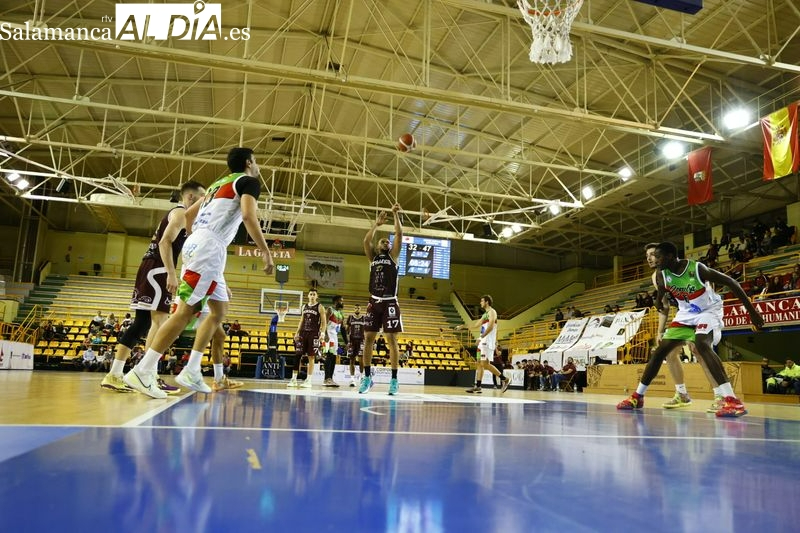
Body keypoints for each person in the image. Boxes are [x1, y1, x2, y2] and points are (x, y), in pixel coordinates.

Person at [123, 147, 274, 398]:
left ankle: (192, 369)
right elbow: (248, 216)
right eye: (255, 161)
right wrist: (265, 252)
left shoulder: (217, 184)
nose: (257, 165)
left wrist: (196, 236)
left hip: (204, 245)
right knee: (185, 312)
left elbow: (189, 214)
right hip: (209, 247)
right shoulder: (248, 182)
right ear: (249, 162)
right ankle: (143, 370)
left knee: (219, 312)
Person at [617, 241, 764, 417]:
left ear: (670, 257)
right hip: (686, 314)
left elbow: (731, 282)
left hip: (708, 311)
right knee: (660, 351)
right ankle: (637, 397)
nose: (655, 260)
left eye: (658, 257)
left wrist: (752, 313)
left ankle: (732, 400)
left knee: (701, 345)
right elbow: (661, 292)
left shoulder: (697, 268)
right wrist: (658, 300)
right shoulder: (661, 274)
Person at [101, 181, 206, 394]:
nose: (204, 203)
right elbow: (164, 242)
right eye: (202, 198)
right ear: (191, 197)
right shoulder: (180, 213)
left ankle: (115, 374)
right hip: (158, 269)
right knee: (160, 322)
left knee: (141, 323)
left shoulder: (181, 216)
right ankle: (148, 375)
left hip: (151, 267)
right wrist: (171, 273)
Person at [642, 243, 718, 410]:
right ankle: (682, 394)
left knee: (698, 350)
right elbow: (664, 306)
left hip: (704, 310)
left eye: (653, 254)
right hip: (684, 314)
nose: (649, 258)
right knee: (669, 353)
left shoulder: (685, 268)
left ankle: (720, 396)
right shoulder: (657, 276)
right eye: (647, 256)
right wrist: (660, 331)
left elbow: (707, 288)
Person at [358, 205, 404, 395]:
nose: (386, 242)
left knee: (391, 339)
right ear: (378, 246)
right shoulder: (373, 258)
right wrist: (376, 225)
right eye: (383, 241)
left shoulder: (393, 256)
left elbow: (399, 234)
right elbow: (366, 240)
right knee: (368, 338)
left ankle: (394, 380)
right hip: (374, 301)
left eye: (388, 241)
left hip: (390, 302)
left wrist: (395, 214)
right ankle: (367, 378)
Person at [456, 295, 510, 394]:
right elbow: (476, 325)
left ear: (487, 302)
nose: (480, 303)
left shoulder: (492, 312)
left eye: (482, 301)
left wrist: (481, 337)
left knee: (484, 363)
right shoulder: (485, 314)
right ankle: (478, 386)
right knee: (479, 363)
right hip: (482, 341)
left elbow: (491, 326)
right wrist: (463, 326)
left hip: (487, 341)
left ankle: (505, 379)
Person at [288, 289, 326, 388]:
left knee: (311, 356)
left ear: (317, 296)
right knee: (297, 355)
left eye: (314, 294)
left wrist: (322, 333)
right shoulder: (304, 306)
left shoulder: (320, 307)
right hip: (303, 333)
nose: (312, 296)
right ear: (308, 296)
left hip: (313, 334)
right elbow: (301, 320)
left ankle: (308, 380)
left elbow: (324, 322)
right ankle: (294, 379)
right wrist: (297, 332)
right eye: (311, 294)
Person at [322, 295, 346, 387]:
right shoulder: (330, 310)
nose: (342, 302)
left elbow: (343, 329)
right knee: (329, 356)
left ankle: (330, 379)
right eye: (341, 301)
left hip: (335, 336)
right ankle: (326, 379)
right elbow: (324, 323)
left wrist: (347, 342)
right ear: (336, 302)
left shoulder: (341, 314)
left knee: (333, 358)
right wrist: (325, 334)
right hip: (328, 335)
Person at [345, 304, 366, 387]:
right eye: (355, 308)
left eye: (358, 308)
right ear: (354, 309)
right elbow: (346, 330)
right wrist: (347, 341)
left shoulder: (364, 318)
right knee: (352, 360)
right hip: (352, 341)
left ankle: (361, 377)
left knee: (361, 360)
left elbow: (367, 330)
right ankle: (352, 379)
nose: (357, 309)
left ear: (360, 309)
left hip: (361, 341)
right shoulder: (350, 317)